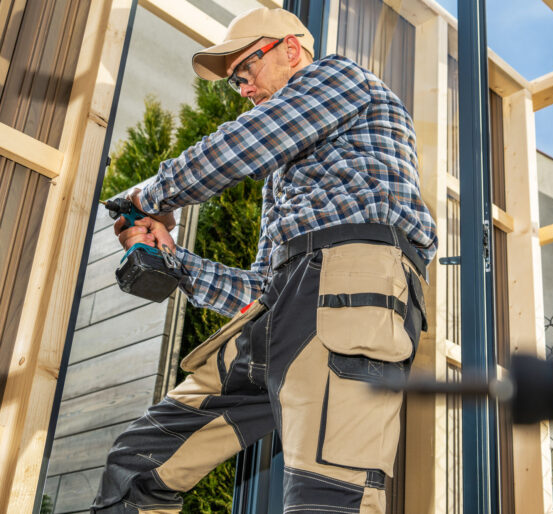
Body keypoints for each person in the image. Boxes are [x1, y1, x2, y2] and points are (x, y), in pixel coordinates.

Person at [91, 7, 437, 514]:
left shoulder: (338, 78)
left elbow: (242, 144)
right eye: (235, 85)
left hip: (351, 287)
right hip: (285, 306)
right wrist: (175, 260)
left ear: (290, 50)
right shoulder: (286, 178)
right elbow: (261, 289)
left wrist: (147, 195)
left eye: (245, 73)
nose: (244, 91)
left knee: (328, 500)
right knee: (138, 466)